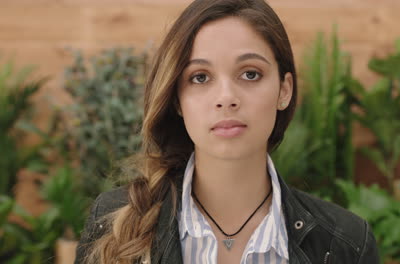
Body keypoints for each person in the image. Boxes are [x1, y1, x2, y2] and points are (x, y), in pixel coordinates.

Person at [75, 0, 379, 263]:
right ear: (177, 99)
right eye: (200, 77)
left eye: (250, 73)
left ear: (284, 91)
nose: (226, 97)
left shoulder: (345, 243)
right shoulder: (114, 221)